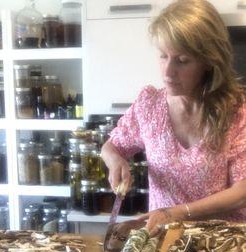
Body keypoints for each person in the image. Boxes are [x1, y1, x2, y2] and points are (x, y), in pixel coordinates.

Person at [101, 0, 246, 236]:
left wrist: (177, 212)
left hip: (221, 244)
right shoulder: (149, 105)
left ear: (209, 61)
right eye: (162, 56)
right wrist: (114, 161)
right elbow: (111, 147)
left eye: (182, 60)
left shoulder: (238, 110)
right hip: (162, 239)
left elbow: (242, 191)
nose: (167, 72)